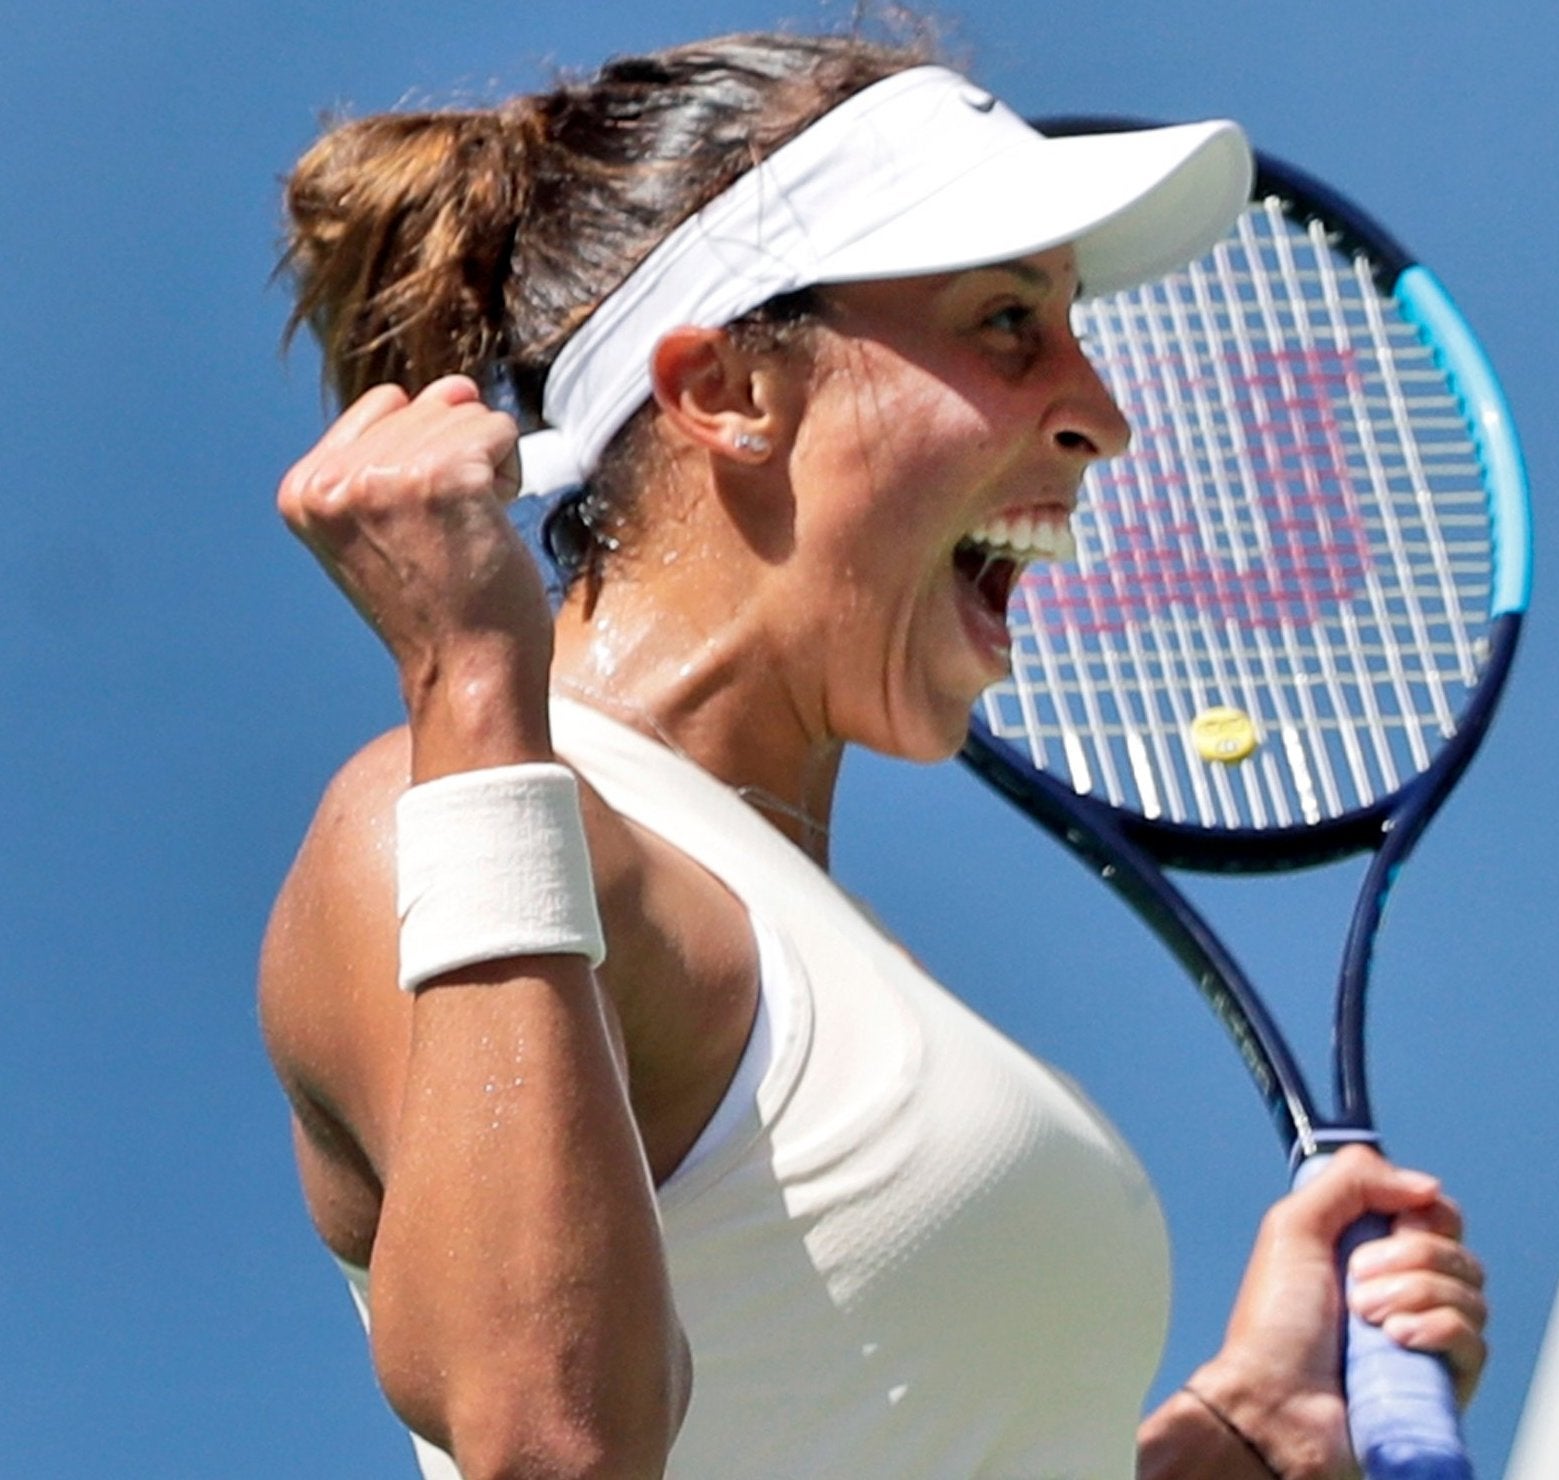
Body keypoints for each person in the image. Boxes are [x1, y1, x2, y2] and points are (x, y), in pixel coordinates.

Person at [260, 28, 1487, 1480]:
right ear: (726, 391)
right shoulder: (436, 815)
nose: (1100, 412)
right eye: (1007, 322)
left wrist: (1238, 1442)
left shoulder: (786, 909)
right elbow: (548, 1448)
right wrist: (468, 674)